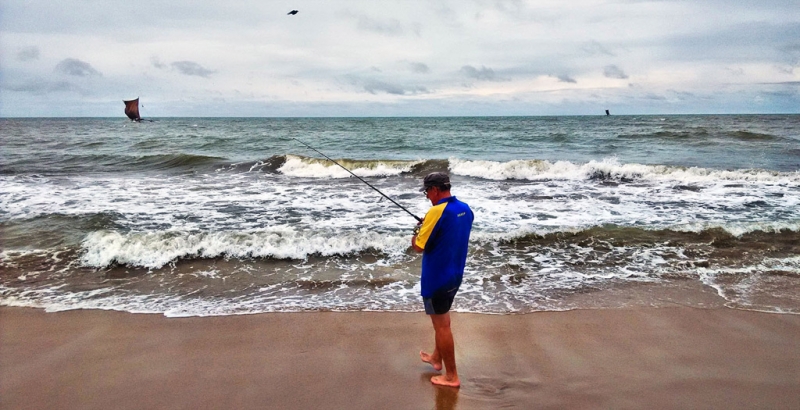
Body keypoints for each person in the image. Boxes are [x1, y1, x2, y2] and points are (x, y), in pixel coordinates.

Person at [411, 172, 474, 388]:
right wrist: (429, 225)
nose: (427, 196)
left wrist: (419, 229)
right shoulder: (465, 209)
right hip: (455, 275)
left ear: (435, 189)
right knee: (443, 320)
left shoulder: (436, 212)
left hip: (436, 278)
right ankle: (437, 359)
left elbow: (418, 246)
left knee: (442, 326)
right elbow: (448, 233)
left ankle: (452, 376)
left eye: (427, 191)